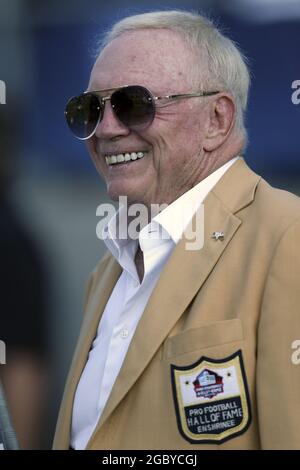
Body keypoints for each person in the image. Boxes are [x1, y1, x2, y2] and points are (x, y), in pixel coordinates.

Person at [53, 10, 300, 450]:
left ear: (216, 120)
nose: (106, 129)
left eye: (133, 104)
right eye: (89, 109)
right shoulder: (109, 273)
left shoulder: (287, 238)